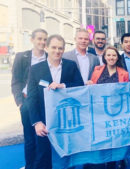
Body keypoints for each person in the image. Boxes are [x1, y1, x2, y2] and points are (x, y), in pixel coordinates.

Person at [27, 35, 84, 169]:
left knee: (68, 155)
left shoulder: (71, 65)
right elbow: (32, 98)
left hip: (67, 120)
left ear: (64, 50)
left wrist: (63, 86)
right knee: (43, 155)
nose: (57, 51)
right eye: (53, 47)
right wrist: (37, 122)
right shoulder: (35, 69)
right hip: (44, 120)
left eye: (60, 48)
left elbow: (80, 85)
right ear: (46, 47)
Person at [85, 46, 129, 169]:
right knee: (101, 140)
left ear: (117, 57)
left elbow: (126, 94)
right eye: (108, 55)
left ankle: (113, 164)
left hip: (116, 113)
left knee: (114, 141)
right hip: (99, 113)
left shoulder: (124, 73)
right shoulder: (97, 70)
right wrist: (89, 84)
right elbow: (92, 88)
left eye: (114, 55)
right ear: (104, 57)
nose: (111, 57)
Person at [11, 28, 48, 169]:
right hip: (26, 102)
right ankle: (30, 166)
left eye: (45, 39)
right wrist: (20, 102)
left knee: (42, 138)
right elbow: (16, 80)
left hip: (43, 103)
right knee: (30, 139)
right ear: (32, 40)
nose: (42, 42)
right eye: (39, 38)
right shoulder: (22, 57)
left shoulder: (48, 56)